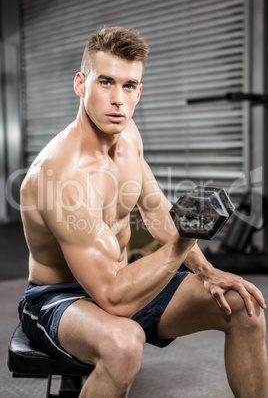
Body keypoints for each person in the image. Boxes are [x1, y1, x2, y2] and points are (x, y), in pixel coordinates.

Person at [19, 26, 267, 398]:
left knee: (244, 307)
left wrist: (209, 272)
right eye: (105, 82)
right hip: (59, 297)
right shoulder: (57, 176)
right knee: (123, 343)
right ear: (80, 84)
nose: (118, 99)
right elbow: (114, 298)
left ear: (140, 90)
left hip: (119, 277)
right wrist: (186, 238)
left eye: (129, 85)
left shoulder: (128, 134)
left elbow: (156, 211)